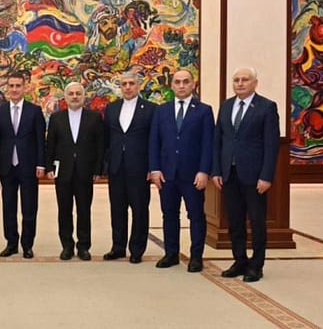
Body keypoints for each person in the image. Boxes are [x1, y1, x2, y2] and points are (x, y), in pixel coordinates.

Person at [212, 67, 279, 283]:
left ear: (255, 83)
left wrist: (266, 176)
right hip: (229, 174)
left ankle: (256, 265)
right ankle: (239, 260)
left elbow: (271, 145)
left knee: (257, 222)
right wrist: (216, 170)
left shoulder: (266, 107)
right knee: (235, 221)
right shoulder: (226, 106)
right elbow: (218, 141)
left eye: (245, 80)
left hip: (255, 176)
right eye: (236, 80)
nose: (240, 83)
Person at [149, 69, 213, 272]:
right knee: (169, 215)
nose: (182, 85)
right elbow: (154, 142)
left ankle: (196, 257)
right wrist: (155, 169)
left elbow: (208, 144)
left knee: (196, 216)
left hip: (193, 175)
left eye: (186, 81)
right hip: (167, 174)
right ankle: (171, 254)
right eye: (177, 82)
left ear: (193, 84)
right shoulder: (162, 111)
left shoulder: (204, 111)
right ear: (172, 85)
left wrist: (204, 171)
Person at [46, 82, 104, 261]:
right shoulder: (56, 118)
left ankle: (84, 246)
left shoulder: (94, 117)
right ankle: (67, 246)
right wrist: (49, 167)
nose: (74, 97)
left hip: (85, 171)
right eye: (71, 94)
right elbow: (50, 145)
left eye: (78, 93)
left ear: (83, 96)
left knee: (84, 210)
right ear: (65, 97)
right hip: (63, 171)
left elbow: (100, 146)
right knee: (64, 210)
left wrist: (98, 169)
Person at [102, 71, 156, 264]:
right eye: (124, 84)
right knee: (117, 209)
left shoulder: (150, 109)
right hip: (116, 167)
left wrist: (152, 167)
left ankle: (137, 249)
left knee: (139, 209)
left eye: (131, 83)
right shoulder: (111, 108)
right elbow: (106, 139)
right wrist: (105, 165)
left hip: (140, 168)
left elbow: (154, 141)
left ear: (138, 85)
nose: (127, 87)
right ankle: (118, 247)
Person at [0, 72, 46, 259]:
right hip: (7, 166)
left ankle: (27, 245)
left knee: (29, 207)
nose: (14, 89)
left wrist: (41, 164)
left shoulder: (34, 111)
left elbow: (40, 140)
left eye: (18, 86)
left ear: (25, 87)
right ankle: (11, 243)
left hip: (29, 166)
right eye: (11, 86)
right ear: (7, 88)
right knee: (8, 206)